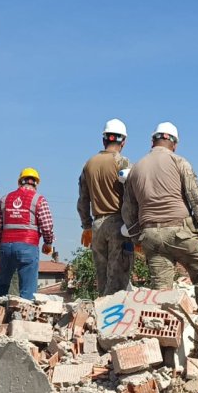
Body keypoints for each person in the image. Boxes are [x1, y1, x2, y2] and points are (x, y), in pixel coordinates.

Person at [120, 122, 198, 315]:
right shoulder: (179, 162)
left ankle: (163, 332)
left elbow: (128, 210)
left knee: (161, 290)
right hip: (180, 232)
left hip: (151, 236)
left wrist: (136, 237)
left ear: (153, 141)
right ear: (174, 143)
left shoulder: (136, 168)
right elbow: (195, 196)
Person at [77, 118, 134, 295]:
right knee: (118, 280)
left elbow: (82, 200)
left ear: (104, 139)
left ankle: (100, 317)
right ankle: (114, 320)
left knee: (102, 280)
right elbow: (132, 197)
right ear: (123, 141)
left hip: (97, 227)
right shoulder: (122, 163)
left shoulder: (89, 164)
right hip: (119, 226)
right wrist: (135, 228)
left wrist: (87, 226)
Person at [0, 168, 55, 300]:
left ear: (20, 182)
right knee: (27, 291)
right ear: (36, 184)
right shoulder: (39, 199)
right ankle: (21, 318)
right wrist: (48, 242)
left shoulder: (5, 199)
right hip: (28, 247)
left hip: (6, 247)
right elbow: (47, 226)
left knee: (2, 285)